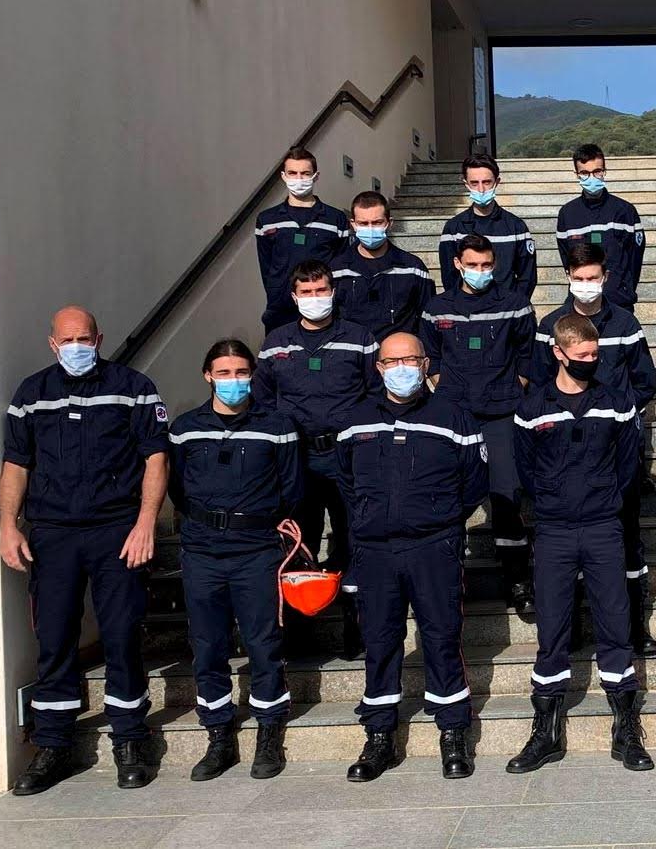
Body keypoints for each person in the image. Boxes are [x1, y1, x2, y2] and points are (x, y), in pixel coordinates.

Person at [1, 306, 169, 794]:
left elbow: (155, 457)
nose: (78, 346)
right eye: (67, 340)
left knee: (120, 633)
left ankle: (129, 739)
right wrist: (9, 526)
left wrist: (145, 523)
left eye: (85, 338)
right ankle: (52, 744)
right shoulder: (31, 395)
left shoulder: (133, 387)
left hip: (117, 529)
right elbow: (16, 462)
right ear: (52, 344)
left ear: (100, 337)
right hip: (53, 534)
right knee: (53, 637)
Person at [335, 333, 487, 782]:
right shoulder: (355, 418)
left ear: (425, 363)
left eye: (411, 359)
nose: (402, 367)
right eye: (392, 360)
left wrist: (438, 519)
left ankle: (453, 732)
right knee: (380, 642)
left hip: (433, 547)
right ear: (378, 367)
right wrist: (370, 516)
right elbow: (346, 479)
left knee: (442, 637)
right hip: (375, 551)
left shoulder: (454, 416)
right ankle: (379, 736)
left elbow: (474, 483)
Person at [509, 314, 652, 774]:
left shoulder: (616, 401)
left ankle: (626, 729)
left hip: (603, 526)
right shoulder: (532, 407)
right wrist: (551, 500)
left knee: (615, 622)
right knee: (552, 629)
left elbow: (629, 463)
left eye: (596, 355)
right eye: (583, 356)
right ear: (559, 352)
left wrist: (606, 498)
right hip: (553, 530)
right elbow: (525, 469)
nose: (592, 362)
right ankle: (545, 732)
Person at [169, 339, 303, 781]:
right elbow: (176, 486)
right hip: (203, 550)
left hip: (256, 550)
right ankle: (219, 735)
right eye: (223, 373)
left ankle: (268, 733)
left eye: (241, 372)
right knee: (208, 646)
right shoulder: (186, 428)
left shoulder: (277, 425)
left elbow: (291, 487)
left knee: (264, 643)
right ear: (207, 376)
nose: (233, 381)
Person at [532, 244, 656, 652]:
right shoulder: (550, 325)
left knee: (627, 540)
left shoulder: (625, 323)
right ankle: (566, 629)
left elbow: (645, 382)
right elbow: (536, 385)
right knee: (561, 548)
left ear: (606, 277)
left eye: (594, 278)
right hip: (562, 456)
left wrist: (616, 415)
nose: (586, 285)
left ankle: (635, 626)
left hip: (614, 451)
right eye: (579, 277)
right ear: (568, 276)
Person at [252, 260, 379, 657]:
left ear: (333, 291)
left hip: (348, 456)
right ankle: (299, 629)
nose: (314, 299)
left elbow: (376, 394)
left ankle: (355, 625)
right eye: (306, 293)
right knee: (298, 541)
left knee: (354, 537)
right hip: (297, 459)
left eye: (320, 290)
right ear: (293, 297)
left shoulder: (359, 338)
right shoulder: (276, 343)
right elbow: (262, 399)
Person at [422, 235, 538, 615]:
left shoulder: (515, 305)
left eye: (487, 265)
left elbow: (526, 356)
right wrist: (446, 392)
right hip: (454, 418)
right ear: (457, 263)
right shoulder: (437, 308)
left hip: (502, 415)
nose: (481, 271)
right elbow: (432, 357)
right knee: (449, 498)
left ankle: (518, 580)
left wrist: (511, 388)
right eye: (473, 265)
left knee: (506, 497)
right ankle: (449, 580)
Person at [254, 145, 350, 331]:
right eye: (293, 173)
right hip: (281, 310)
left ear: (316, 176)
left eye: (305, 173)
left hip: (324, 308)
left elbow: (342, 264)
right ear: (283, 176)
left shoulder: (335, 219)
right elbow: (266, 266)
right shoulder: (266, 220)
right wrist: (277, 293)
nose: (299, 179)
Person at [329, 190, 432, 340]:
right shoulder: (337, 269)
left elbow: (427, 317)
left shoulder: (413, 268)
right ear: (353, 224)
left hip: (398, 357)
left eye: (377, 222)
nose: (370, 228)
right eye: (363, 223)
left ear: (389, 223)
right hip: (352, 353)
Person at [555, 143, 645, 309]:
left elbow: (635, 258)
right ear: (576, 174)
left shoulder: (625, 211)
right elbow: (567, 259)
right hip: (579, 304)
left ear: (604, 171)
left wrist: (623, 288)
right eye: (584, 173)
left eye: (597, 171)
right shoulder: (567, 214)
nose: (591, 178)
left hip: (618, 302)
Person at [437, 154, 536, 297]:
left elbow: (527, 276)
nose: (481, 189)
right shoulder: (453, 228)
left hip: (506, 310)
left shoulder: (516, 227)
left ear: (497, 182)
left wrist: (515, 306)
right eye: (474, 183)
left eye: (487, 182)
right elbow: (449, 275)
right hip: (466, 311)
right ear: (466, 184)